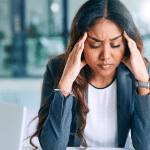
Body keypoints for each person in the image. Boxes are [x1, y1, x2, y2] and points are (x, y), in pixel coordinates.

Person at [28, 0, 150, 149]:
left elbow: (144, 145)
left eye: (115, 45)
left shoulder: (139, 73)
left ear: (126, 44)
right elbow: (53, 146)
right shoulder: (56, 68)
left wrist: (143, 82)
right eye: (95, 45)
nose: (105, 56)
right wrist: (66, 80)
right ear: (79, 42)